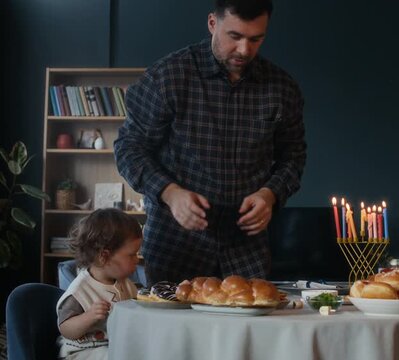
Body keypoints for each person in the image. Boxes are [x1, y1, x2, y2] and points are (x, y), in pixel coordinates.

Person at [114, 0, 306, 285]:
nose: (244, 50)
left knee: (247, 330)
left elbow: (294, 157)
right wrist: (170, 193)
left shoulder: (282, 88)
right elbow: (128, 148)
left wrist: (271, 194)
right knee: (177, 330)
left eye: (256, 39)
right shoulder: (167, 77)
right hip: (175, 243)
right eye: (235, 36)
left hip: (247, 246)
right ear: (212, 23)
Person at [56, 209, 142, 359]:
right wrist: (88, 317)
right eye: (132, 254)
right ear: (104, 257)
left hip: (115, 347)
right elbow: (65, 328)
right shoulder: (80, 290)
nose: (137, 259)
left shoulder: (126, 284)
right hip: (83, 352)